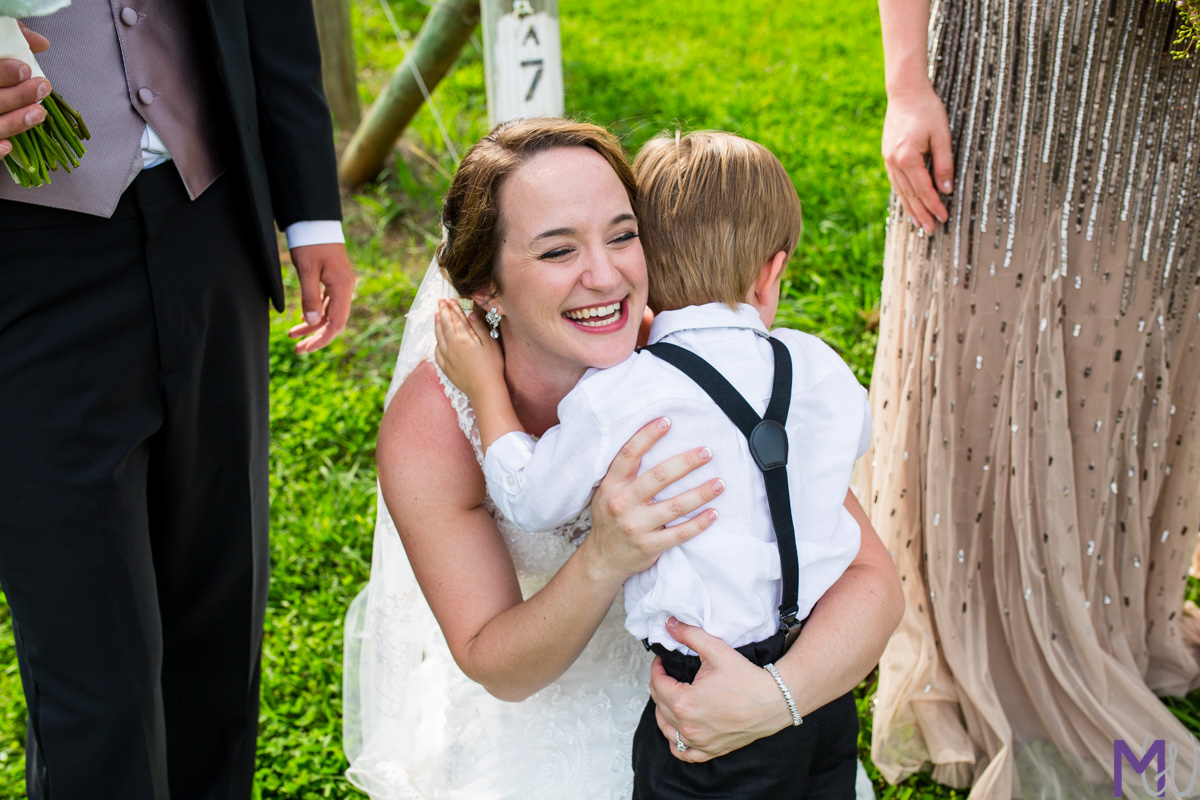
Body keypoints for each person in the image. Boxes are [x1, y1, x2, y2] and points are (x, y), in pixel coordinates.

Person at [344, 118, 903, 799]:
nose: (605, 277)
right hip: (548, 726)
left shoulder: (690, 362)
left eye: (623, 234)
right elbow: (499, 666)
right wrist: (606, 554)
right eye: (557, 253)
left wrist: (773, 699)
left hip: (740, 713)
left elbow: (873, 578)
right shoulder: (435, 423)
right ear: (485, 287)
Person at [0, 5, 353, 799]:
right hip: (22, 253)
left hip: (211, 216)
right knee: (91, 665)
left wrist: (308, 210)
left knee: (218, 621)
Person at [863, 0, 1200, 796]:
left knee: (1122, 331)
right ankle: (985, 632)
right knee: (977, 318)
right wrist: (907, 81)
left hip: (1164, 72)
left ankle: (1103, 613)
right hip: (999, 52)